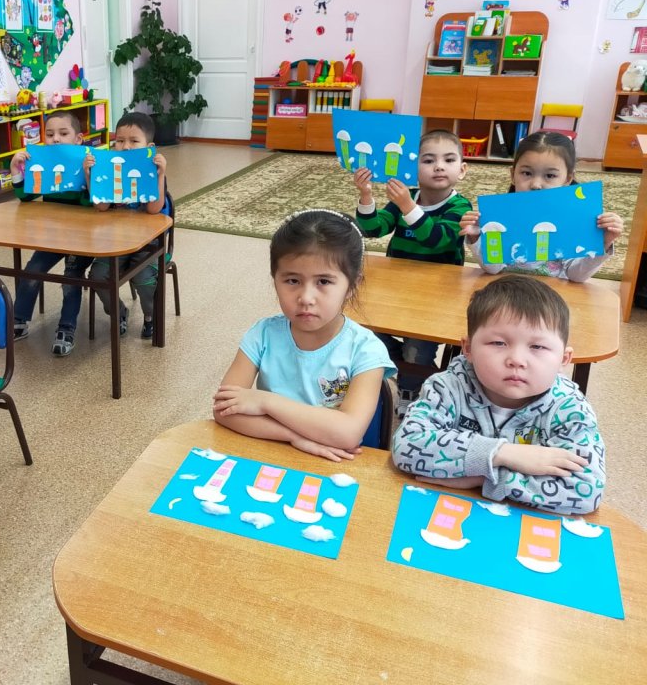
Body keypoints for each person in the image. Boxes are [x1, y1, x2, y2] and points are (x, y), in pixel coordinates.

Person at [391, 275, 605, 515]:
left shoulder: (570, 409)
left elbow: (585, 491)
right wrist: (502, 453)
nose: (517, 360)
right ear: (468, 348)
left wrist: (485, 479)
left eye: (537, 347)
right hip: (446, 512)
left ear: (563, 359)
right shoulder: (447, 387)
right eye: (498, 343)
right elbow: (406, 446)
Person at [212, 210, 396, 461]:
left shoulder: (366, 350)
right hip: (271, 455)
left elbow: (348, 433)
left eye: (324, 282)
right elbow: (223, 410)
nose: (306, 298)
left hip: (337, 465)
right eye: (292, 280)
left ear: (351, 286)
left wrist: (265, 402)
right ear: (275, 280)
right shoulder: (263, 335)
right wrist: (294, 438)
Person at [353, 129, 472, 411]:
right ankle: (401, 370)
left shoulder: (459, 205)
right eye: (428, 160)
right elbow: (373, 229)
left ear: (462, 170)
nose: (439, 166)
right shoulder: (407, 199)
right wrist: (366, 196)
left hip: (437, 297)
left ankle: (410, 391)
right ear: (412, 168)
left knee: (417, 349)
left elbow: (437, 239)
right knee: (365, 331)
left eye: (449, 160)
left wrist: (407, 205)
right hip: (396, 289)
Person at [459, 131, 624, 282]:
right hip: (507, 290)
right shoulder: (500, 217)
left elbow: (576, 276)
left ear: (567, 179)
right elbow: (493, 269)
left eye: (550, 175)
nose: (536, 185)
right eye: (527, 173)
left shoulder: (571, 219)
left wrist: (603, 243)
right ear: (513, 174)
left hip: (550, 296)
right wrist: (476, 238)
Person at [8, 112, 93, 356]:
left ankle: (66, 328)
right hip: (53, 236)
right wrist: (16, 169)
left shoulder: (86, 163)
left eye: (63, 134)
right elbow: (26, 196)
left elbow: (92, 203)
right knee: (32, 271)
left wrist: (89, 176)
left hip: (83, 238)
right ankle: (19, 320)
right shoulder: (44, 164)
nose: (56, 139)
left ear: (78, 139)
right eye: (50, 134)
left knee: (71, 277)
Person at [84, 112, 168, 339]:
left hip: (148, 244)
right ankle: (119, 312)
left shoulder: (152, 170)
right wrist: (90, 175)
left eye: (134, 141)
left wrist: (160, 175)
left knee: (144, 279)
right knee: (97, 276)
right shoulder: (111, 169)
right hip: (116, 242)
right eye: (120, 141)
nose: (126, 146)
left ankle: (151, 317)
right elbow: (101, 207)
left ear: (149, 147)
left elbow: (154, 209)